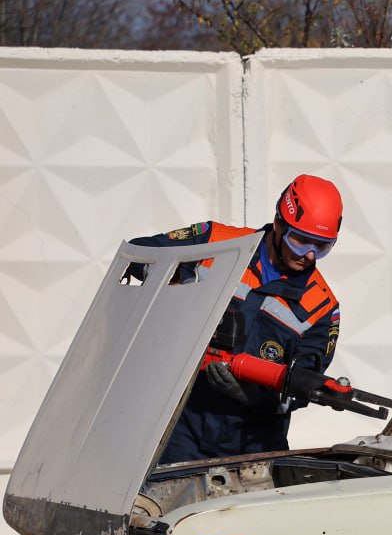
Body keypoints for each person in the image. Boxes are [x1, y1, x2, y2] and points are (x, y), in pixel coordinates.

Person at [131, 175, 344, 463]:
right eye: (301, 240)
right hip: (181, 427)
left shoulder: (321, 307)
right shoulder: (216, 243)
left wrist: (250, 396)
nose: (308, 255)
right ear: (279, 223)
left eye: (322, 246)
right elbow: (140, 254)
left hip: (254, 443)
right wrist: (180, 292)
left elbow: (302, 388)